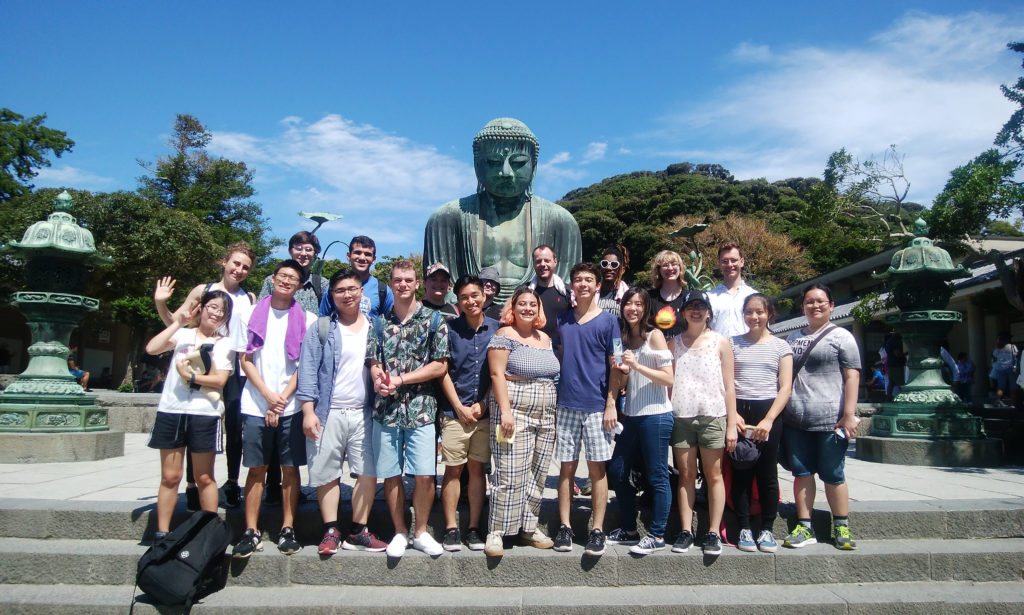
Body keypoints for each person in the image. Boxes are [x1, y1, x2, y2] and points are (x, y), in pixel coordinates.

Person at [424, 117, 582, 305]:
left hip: (535, 316)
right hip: (471, 316)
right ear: (477, 166)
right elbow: (442, 291)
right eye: (493, 162)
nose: (506, 172)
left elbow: (568, 289)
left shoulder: (561, 222)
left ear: (534, 167)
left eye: (518, 162)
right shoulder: (447, 218)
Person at [154, 241, 257, 509]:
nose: (239, 270)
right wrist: (161, 304)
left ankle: (233, 482)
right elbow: (176, 324)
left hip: (232, 366)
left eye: (245, 267)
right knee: (194, 423)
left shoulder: (249, 298)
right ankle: (191, 485)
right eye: (236, 263)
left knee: (234, 429)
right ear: (224, 262)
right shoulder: (204, 291)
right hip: (200, 363)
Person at [296, 267, 388, 555]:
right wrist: (308, 411)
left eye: (352, 289)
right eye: (340, 291)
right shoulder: (322, 328)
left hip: (364, 412)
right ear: (332, 295)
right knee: (327, 474)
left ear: (361, 292)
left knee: (368, 472)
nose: (347, 295)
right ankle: (331, 530)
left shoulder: (377, 327)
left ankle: (359, 530)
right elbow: (308, 371)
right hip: (328, 412)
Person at [232, 260, 318, 558]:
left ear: (299, 285)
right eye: (282, 276)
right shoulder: (250, 314)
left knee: (290, 469)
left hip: (290, 404)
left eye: (292, 278)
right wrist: (268, 396)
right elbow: (245, 359)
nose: (286, 281)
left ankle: (287, 528)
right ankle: (251, 530)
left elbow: (305, 365)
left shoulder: (306, 318)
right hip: (256, 402)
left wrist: (281, 399)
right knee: (257, 469)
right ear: (273, 278)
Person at [366, 259, 450, 558]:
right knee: (391, 474)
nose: (403, 284)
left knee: (425, 474)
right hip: (386, 409)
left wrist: (400, 379)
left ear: (417, 284)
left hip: (422, 408)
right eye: (397, 280)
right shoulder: (378, 322)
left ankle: (421, 530)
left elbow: (440, 365)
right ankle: (400, 531)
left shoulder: (434, 320)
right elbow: (374, 362)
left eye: (408, 280)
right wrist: (380, 380)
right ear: (391, 284)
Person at [144, 290, 234, 540]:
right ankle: (162, 533)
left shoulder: (225, 343)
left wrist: (191, 377)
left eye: (222, 311)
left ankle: (208, 534)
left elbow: (220, 380)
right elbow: (152, 348)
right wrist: (177, 322)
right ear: (201, 308)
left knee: (205, 477)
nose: (216, 313)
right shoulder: (182, 335)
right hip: (172, 410)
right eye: (212, 307)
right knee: (170, 477)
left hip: (205, 414)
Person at [782, 283, 861, 551]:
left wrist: (849, 414)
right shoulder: (792, 337)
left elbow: (852, 376)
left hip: (830, 418)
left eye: (820, 301)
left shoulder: (842, 337)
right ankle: (805, 525)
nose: (815, 306)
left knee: (833, 473)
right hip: (796, 417)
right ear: (802, 306)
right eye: (809, 302)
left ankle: (841, 525)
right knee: (802, 473)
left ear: (831, 305)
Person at [485, 285, 561, 556]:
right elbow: (497, 375)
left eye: (533, 304)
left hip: (546, 410)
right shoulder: (505, 334)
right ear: (512, 309)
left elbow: (552, 374)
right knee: (509, 472)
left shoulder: (545, 338)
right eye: (522, 304)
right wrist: (505, 412)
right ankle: (497, 531)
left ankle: (528, 527)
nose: (528, 308)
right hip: (514, 409)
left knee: (537, 472)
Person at [552, 262, 621, 557]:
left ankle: (597, 529)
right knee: (566, 468)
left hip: (597, 406)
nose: (583, 284)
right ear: (572, 285)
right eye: (578, 279)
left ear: (596, 286)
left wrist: (611, 403)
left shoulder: (609, 322)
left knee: (597, 469)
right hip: (566, 403)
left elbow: (617, 364)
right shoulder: (562, 321)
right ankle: (565, 527)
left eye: (588, 280)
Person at [605, 288, 674, 556]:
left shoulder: (654, 336)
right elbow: (623, 380)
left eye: (638, 304)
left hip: (656, 414)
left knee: (657, 475)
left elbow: (668, 378)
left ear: (646, 308)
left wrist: (636, 366)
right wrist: (621, 370)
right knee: (618, 472)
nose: (632, 308)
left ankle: (657, 534)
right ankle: (629, 530)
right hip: (632, 415)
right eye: (628, 303)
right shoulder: (622, 338)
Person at [669, 289, 739, 556]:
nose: (695, 311)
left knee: (714, 475)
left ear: (709, 312)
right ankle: (686, 530)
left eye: (700, 306)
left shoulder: (720, 342)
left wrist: (731, 424)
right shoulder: (674, 343)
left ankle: (712, 531)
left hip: (713, 414)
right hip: (682, 415)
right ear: (683, 312)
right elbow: (668, 382)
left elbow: (729, 386)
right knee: (685, 475)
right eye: (690, 307)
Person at [438, 275, 499, 552]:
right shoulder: (449, 329)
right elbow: (442, 371)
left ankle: (474, 527)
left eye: (475, 295)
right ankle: (451, 527)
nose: (470, 301)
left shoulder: (498, 330)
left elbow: (500, 374)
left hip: (483, 414)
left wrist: (484, 403)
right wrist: (459, 407)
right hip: (454, 412)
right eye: (464, 297)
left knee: (477, 470)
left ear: (484, 297)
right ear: (458, 301)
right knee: (453, 470)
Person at [729, 293, 793, 553]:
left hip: (769, 411)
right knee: (740, 470)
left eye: (759, 312)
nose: (754, 317)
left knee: (767, 474)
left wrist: (769, 419)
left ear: (769, 314)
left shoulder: (781, 346)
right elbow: (727, 383)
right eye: (749, 312)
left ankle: (767, 528)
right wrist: (732, 414)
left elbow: (785, 387)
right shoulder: (732, 344)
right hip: (740, 410)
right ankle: (744, 526)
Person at [318, 235, 394, 319]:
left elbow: (391, 323)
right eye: (357, 253)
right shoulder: (333, 288)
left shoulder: (383, 291)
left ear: (374, 259)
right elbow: (323, 321)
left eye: (367, 254)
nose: (362, 258)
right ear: (348, 255)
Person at [259, 231, 327, 313]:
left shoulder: (322, 284)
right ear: (290, 251)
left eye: (308, 250)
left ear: (314, 253)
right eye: (298, 248)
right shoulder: (272, 281)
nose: (303, 253)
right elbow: (259, 311)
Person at [708, 242, 758, 337]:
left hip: (749, 350)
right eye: (725, 261)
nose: (730, 265)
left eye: (733, 260)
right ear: (719, 264)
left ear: (742, 262)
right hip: (718, 350)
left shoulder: (754, 296)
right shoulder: (709, 297)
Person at [529, 245, 572, 350]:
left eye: (547, 260)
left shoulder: (568, 293)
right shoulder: (525, 292)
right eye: (538, 261)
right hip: (532, 351)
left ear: (555, 261)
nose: (543, 264)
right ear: (533, 263)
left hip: (562, 352)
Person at [648, 250, 688, 339]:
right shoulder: (649, 297)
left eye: (674, 264)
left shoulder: (689, 298)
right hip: (656, 351)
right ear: (658, 270)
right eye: (665, 265)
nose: (670, 268)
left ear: (680, 268)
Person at [596, 245, 629, 317]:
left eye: (614, 264)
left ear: (622, 270)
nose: (608, 268)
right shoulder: (592, 293)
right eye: (604, 264)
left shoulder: (628, 295)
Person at [991, 334, 1017, 406]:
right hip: (1010, 368)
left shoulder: (997, 349)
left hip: (1000, 369)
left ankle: (998, 400)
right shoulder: (1012, 347)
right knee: (1013, 386)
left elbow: (994, 359)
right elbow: (1016, 355)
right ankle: (1013, 403)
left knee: (1001, 386)